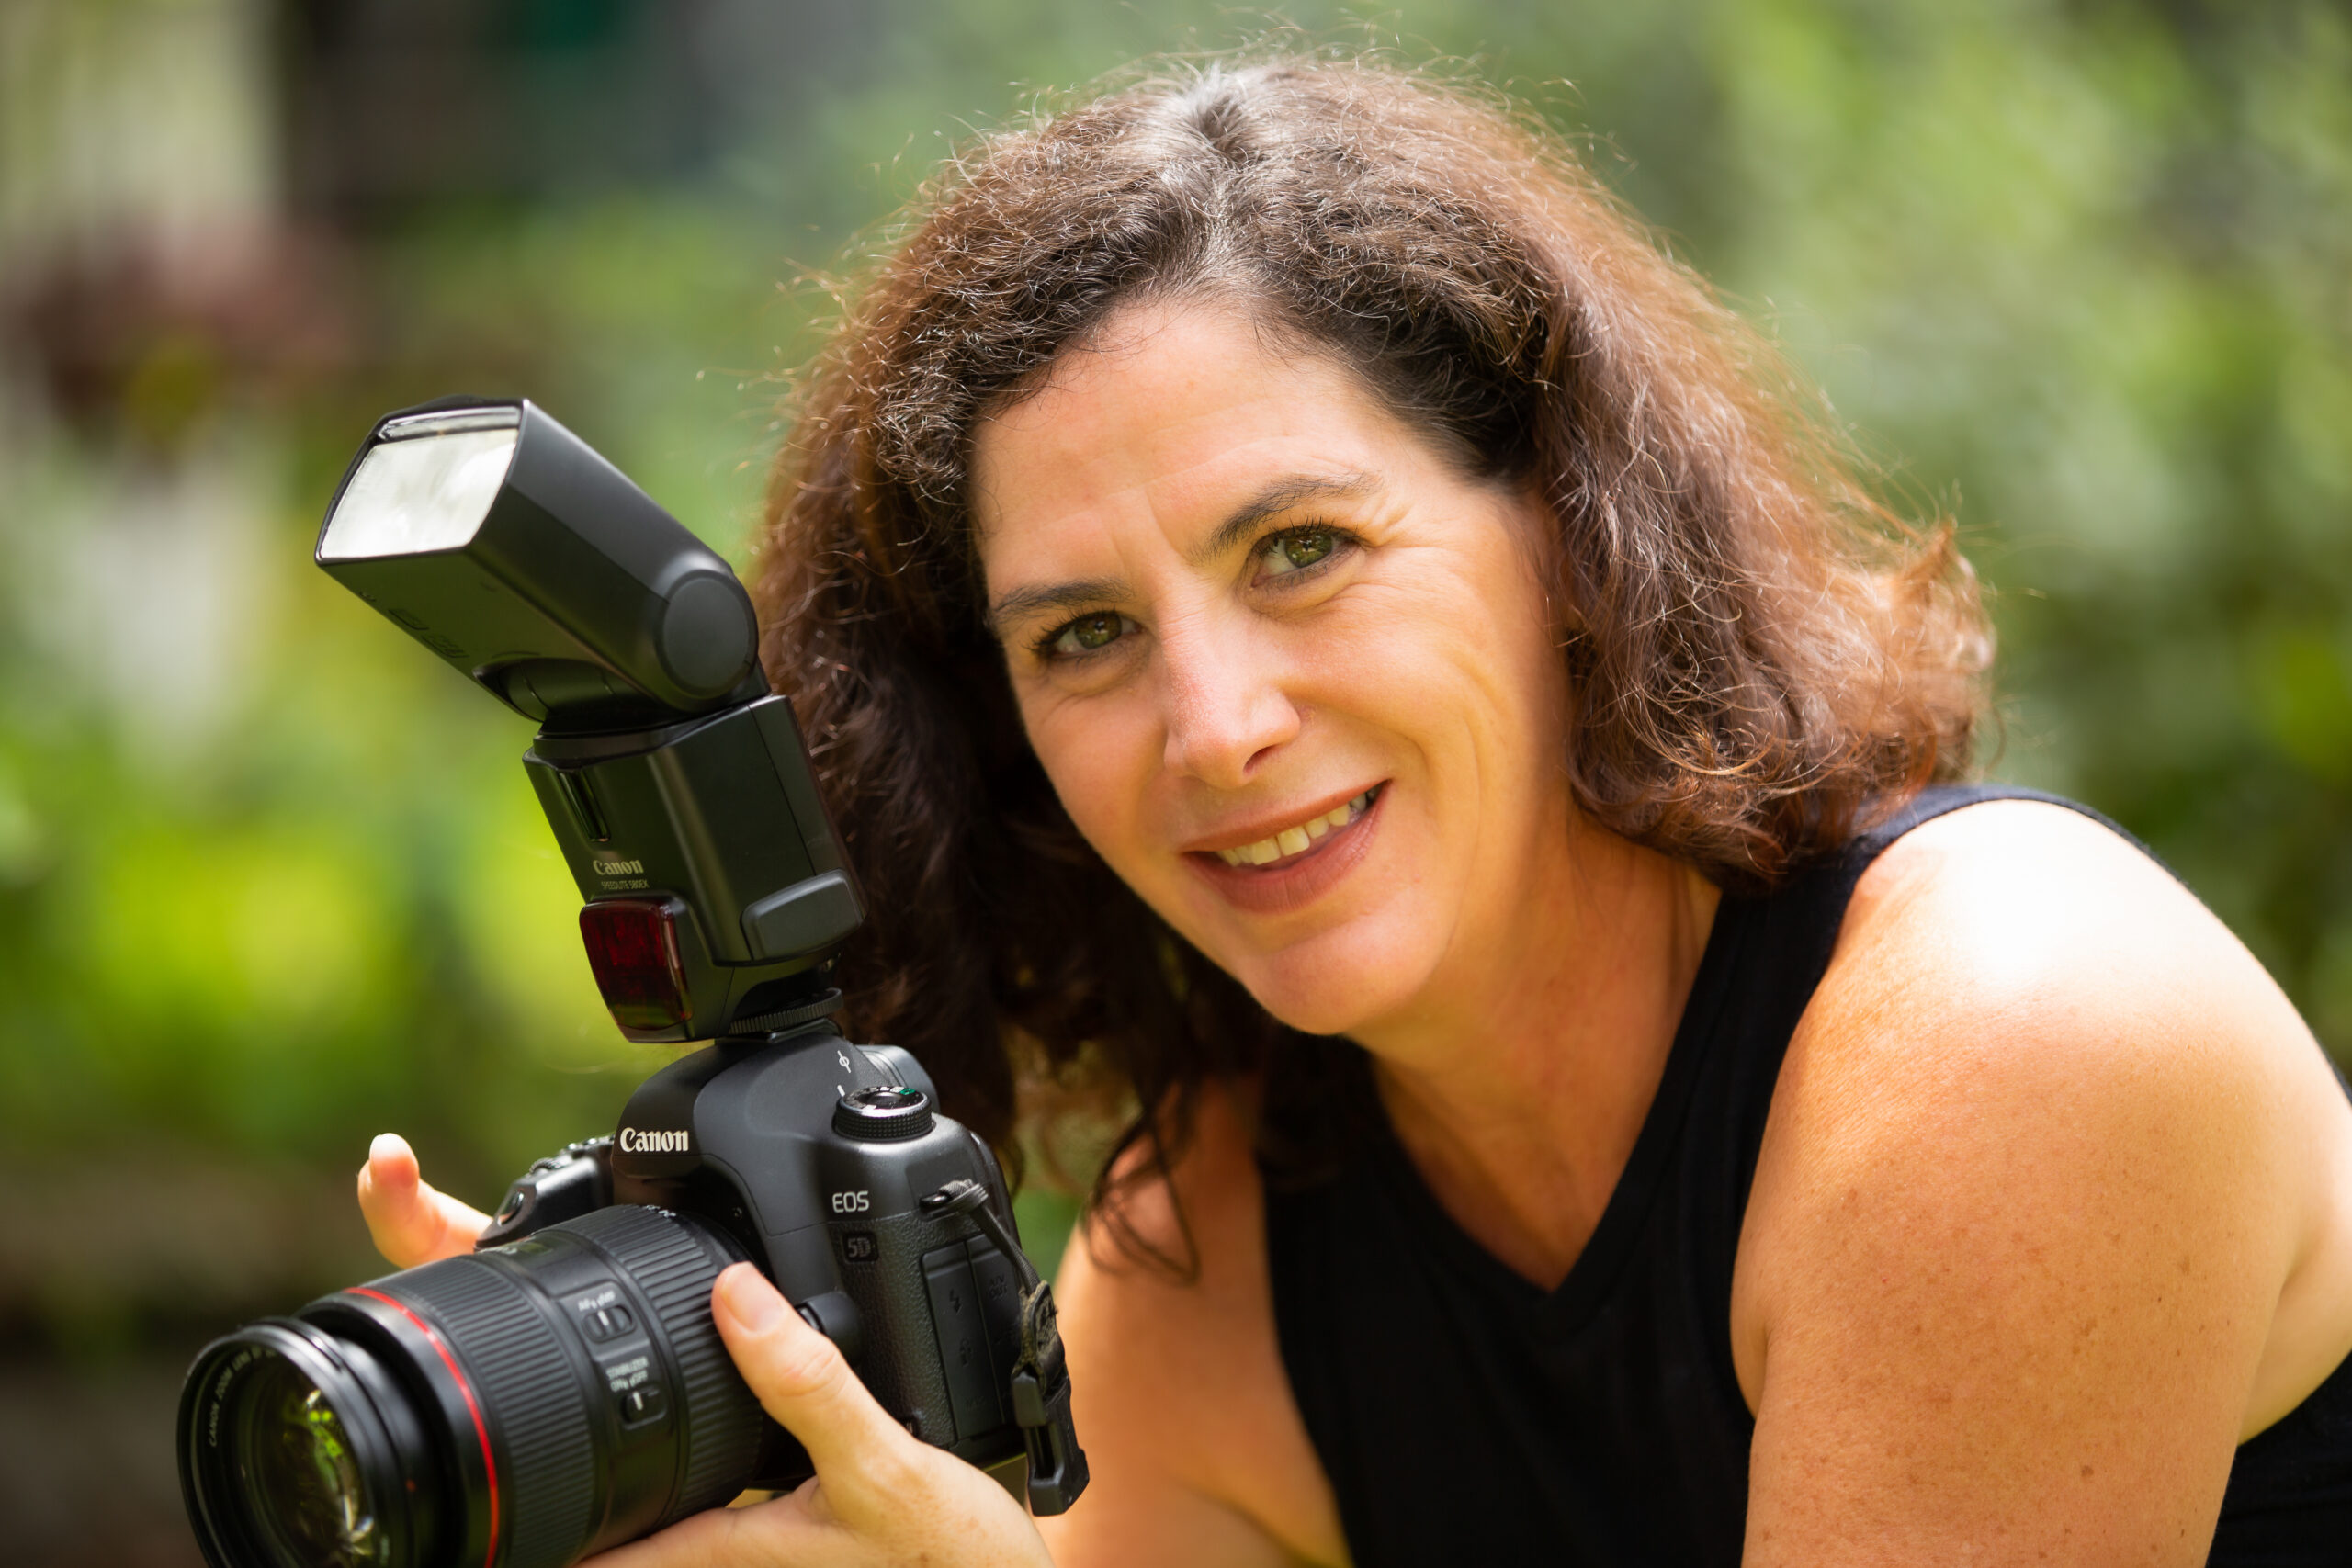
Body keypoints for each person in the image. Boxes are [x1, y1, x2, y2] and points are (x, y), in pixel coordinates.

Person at [357, 57, 2352, 1565]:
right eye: (1079, 635)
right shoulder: (1208, 1261)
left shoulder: (2005, 1036)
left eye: (1301, 545)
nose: (1211, 724)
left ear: (1569, 540)